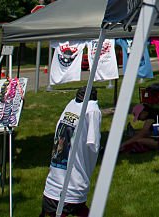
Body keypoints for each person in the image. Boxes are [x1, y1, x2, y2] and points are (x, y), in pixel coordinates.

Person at [41, 86, 102, 217]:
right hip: (62, 181)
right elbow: (94, 145)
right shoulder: (89, 110)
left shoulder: (85, 109)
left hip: (68, 181)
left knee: (76, 209)